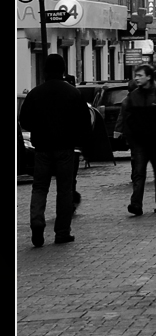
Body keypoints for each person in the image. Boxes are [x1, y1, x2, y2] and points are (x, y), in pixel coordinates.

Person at [19, 54, 92, 246]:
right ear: (63, 70)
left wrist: (39, 127)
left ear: (44, 71)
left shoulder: (35, 93)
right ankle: (62, 232)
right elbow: (85, 122)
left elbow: (24, 120)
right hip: (65, 149)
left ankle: (37, 222)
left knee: (40, 187)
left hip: (42, 149)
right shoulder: (72, 93)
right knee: (64, 190)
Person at [115, 63, 156, 216]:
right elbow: (124, 111)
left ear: (149, 77)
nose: (137, 78)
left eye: (140, 75)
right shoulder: (133, 95)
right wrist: (119, 130)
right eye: (136, 75)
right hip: (139, 141)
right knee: (138, 173)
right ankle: (136, 204)